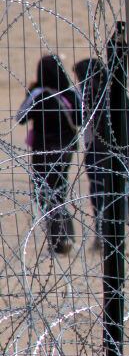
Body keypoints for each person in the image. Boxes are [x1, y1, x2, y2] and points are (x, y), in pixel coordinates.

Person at [17, 54, 82, 254]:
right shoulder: (70, 94)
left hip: (43, 151)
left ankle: (58, 241)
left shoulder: (39, 94)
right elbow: (81, 118)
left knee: (45, 194)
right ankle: (66, 237)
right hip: (65, 150)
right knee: (59, 192)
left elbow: (20, 117)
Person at [74, 57, 112, 250]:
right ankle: (106, 235)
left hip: (98, 150)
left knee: (100, 193)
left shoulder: (89, 95)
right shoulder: (112, 94)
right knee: (106, 193)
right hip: (106, 150)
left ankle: (105, 235)